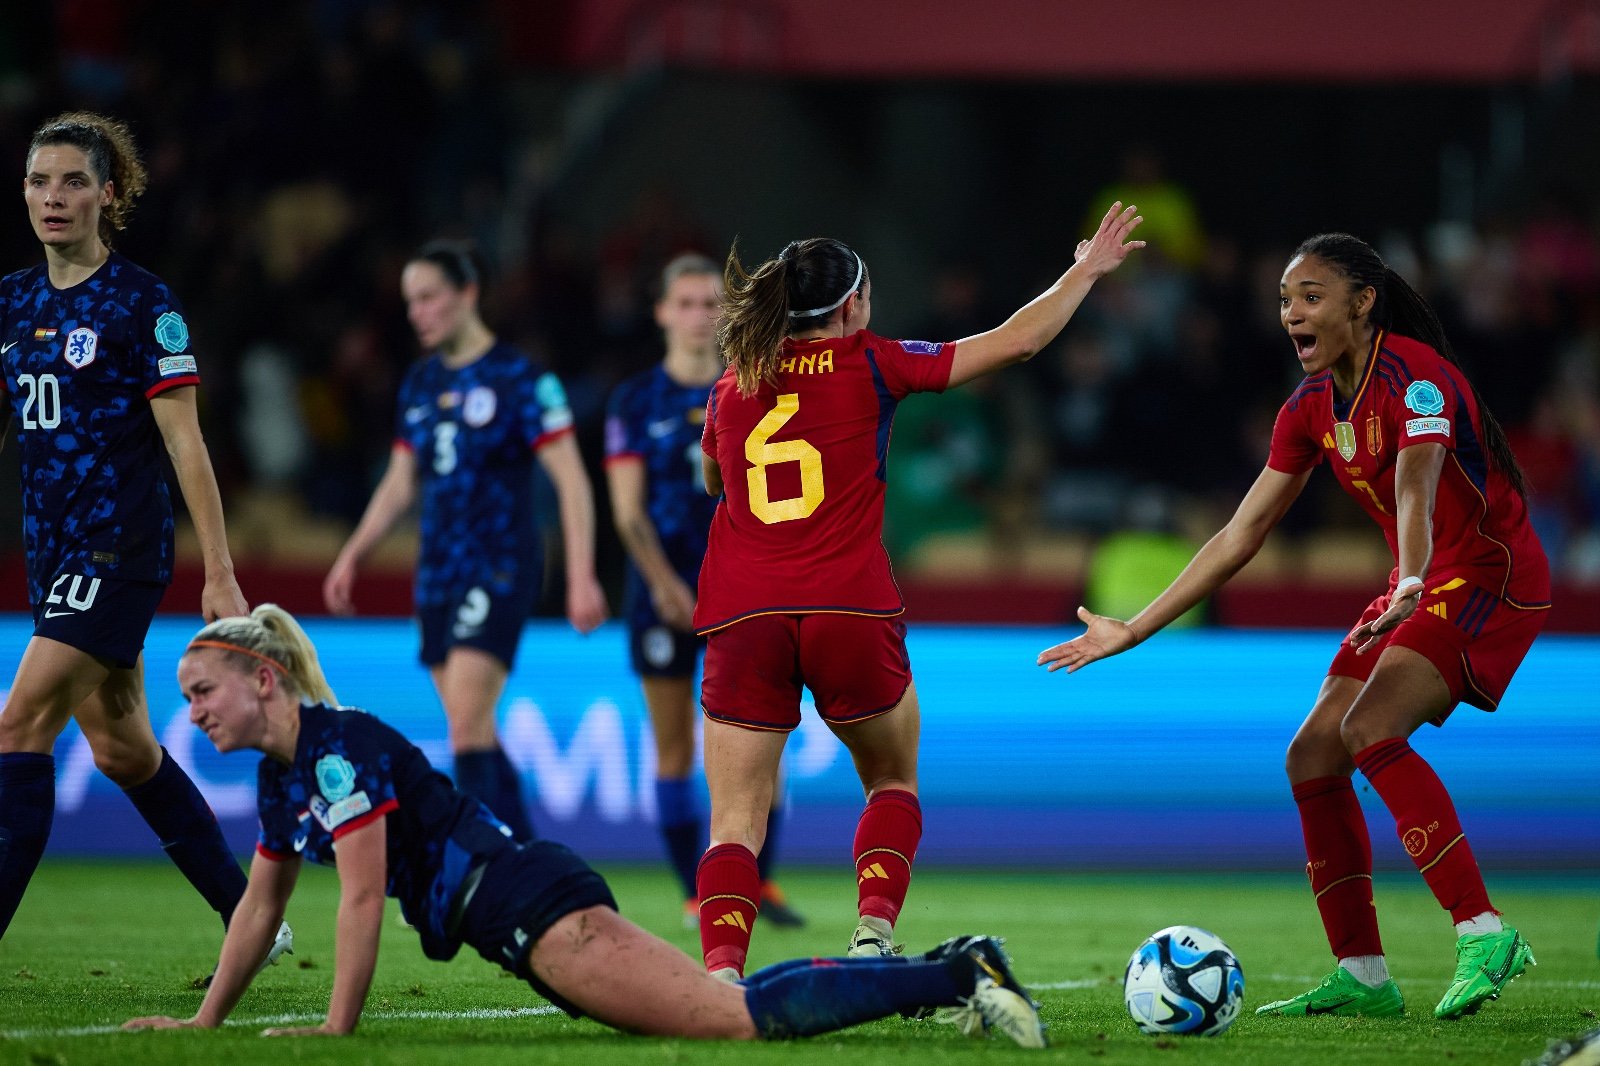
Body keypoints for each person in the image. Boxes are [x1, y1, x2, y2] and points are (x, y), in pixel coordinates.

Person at [121, 605, 1046, 1048]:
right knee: (722, 1011)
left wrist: (335, 1030)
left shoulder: (333, 752)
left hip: (533, 908)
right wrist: (204, 1023)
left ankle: (959, 970)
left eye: (202, 691)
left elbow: (361, 900)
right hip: (525, 916)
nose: (194, 713)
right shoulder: (292, 780)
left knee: (734, 1022)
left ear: (263, 679)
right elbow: (256, 909)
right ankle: (949, 970)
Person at [1038, 232, 1548, 1021]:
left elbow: (1417, 487)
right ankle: (1364, 977)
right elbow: (1240, 534)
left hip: (1485, 576)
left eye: (1310, 296)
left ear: (1362, 301)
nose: (1291, 314)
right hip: (1416, 581)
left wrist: (1413, 574)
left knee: (1371, 726)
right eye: (1284, 300)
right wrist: (1134, 629)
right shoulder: (1311, 407)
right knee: (1312, 754)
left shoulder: (1418, 381)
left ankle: (1483, 930)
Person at [692, 204, 1144, 979]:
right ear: (853, 306)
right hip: (847, 605)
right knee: (892, 778)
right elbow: (1020, 341)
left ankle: (721, 976)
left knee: (735, 821)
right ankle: (872, 934)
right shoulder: (873, 360)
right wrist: (1086, 271)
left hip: (744, 612)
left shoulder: (733, 386)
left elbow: (714, 479)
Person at [0, 112, 291, 968]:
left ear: (108, 194)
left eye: (73, 182)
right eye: (39, 181)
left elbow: (185, 444)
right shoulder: (11, 301)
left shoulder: (143, 303)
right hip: (52, 554)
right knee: (125, 751)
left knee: (19, 726)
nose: (54, 198)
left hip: (117, 548)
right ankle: (253, 921)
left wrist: (221, 574)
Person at [323, 240, 608, 840]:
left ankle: (475, 865)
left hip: (499, 565)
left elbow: (572, 482)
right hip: (438, 573)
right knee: (470, 724)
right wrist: (353, 555)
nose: (417, 313)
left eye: (428, 297)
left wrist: (582, 575)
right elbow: (401, 482)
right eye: (410, 302)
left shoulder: (521, 378)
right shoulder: (421, 382)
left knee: (467, 725)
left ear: (467, 294)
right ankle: (530, 858)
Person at [604, 253, 803, 930]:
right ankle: (695, 891)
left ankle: (760, 884)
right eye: (684, 302)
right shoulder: (635, 401)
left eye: (710, 303)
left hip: (745, 593)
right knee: (676, 750)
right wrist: (664, 586)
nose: (698, 316)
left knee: (761, 743)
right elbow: (628, 512)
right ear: (662, 312)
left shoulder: (755, 387)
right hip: (664, 596)